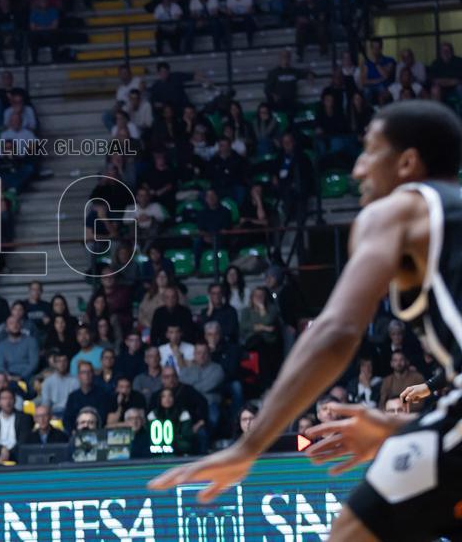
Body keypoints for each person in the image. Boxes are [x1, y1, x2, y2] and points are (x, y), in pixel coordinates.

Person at [150, 101, 462, 541]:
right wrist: (400, 428)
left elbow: (336, 332)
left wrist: (248, 446)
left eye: (369, 152)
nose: (356, 170)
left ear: (408, 162)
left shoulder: (399, 210)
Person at [0, 387, 32, 463]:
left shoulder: (24, 418)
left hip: (17, 455)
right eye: (4, 398)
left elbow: (23, 441)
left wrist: (8, 453)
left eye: (10, 398)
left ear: (15, 400)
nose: (8, 402)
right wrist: (2, 448)